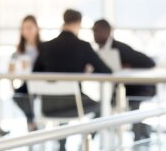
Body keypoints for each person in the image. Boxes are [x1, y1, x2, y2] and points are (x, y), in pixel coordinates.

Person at [33, 9, 111, 150]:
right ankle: (86, 142)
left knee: (63, 97)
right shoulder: (83, 46)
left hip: (48, 106)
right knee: (100, 107)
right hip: (75, 105)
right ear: (78, 23)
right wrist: (86, 72)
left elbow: (35, 74)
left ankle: (62, 145)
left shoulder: (46, 46)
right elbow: (105, 71)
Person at [92, 19, 157, 142]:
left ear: (107, 32)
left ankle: (138, 136)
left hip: (138, 88)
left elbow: (149, 62)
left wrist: (129, 68)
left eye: (98, 31)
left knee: (130, 107)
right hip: (119, 89)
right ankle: (90, 135)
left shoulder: (120, 48)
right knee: (105, 106)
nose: (95, 35)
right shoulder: (100, 50)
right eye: (94, 31)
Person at [8, 15, 41, 132]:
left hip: (41, 83)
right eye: (24, 28)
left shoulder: (43, 48)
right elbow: (11, 69)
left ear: (37, 28)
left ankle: (32, 122)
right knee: (18, 96)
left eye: (30, 27)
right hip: (27, 84)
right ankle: (31, 120)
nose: (27, 31)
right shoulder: (19, 51)